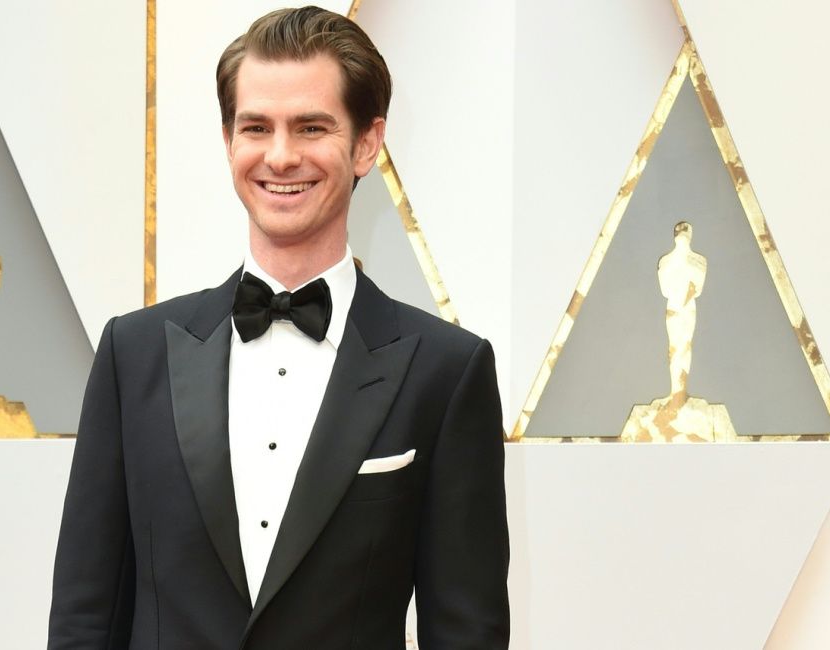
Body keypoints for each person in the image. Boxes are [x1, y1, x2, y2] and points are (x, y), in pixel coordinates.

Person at [48, 7, 509, 649]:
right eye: (256, 127)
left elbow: (467, 630)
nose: (281, 156)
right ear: (230, 141)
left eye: (311, 127)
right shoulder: (135, 354)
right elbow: (83, 615)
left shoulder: (445, 371)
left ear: (367, 144)